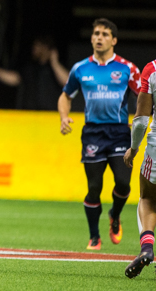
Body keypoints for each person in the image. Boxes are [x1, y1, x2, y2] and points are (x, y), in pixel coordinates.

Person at [58, 18, 140, 251]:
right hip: (93, 133)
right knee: (94, 187)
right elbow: (66, 95)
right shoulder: (80, 68)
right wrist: (64, 117)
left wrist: (142, 119)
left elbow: (143, 95)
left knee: (123, 182)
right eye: (96, 33)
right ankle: (94, 236)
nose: (99, 37)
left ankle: (115, 214)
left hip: (119, 132)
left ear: (114, 40)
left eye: (105, 34)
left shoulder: (127, 68)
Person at [124, 57, 156, 278]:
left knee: (147, 198)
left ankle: (147, 248)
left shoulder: (152, 69)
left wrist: (134, 149)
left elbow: (141, 120)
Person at [0, 35, 69, 110]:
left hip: (50, 116)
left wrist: (54, 62)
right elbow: (15, 78)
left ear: (45, 47)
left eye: (37, 45)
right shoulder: (29, 67)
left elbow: (67, 82)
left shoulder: (56, 67)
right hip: (30, 113)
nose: (34, 48)